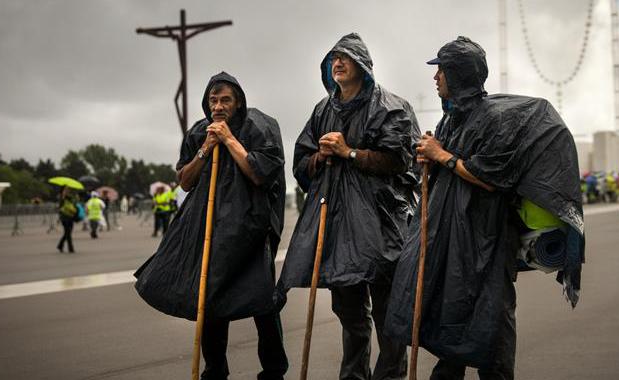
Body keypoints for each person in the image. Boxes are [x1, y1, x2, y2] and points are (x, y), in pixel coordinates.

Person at [385, 36, 585, 380]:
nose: (435, 78)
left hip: (487, 235)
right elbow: (448, 168)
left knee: (492, 314)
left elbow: (492, 177)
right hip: (451, 233)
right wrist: (429, 159)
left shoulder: (494, 118)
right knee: (452, 309)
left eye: (441, 70)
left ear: (459, 73)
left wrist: (442, 156)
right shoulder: (452, 120)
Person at [277, 33, 419, 380]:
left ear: (363, 66)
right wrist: (319, 157)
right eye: (333, 59)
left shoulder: (391, 107)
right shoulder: (323, 110)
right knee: (349, 310)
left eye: (345, 58)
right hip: (337, 222)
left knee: (387, 313)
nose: (337, 63)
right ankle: (353, 376)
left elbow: (401, 161)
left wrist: (349, 152)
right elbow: (301, 162)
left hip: (381, 222)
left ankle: (390, 376)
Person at [135, 72, 288, 380]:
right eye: (213, 100)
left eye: (225, 100)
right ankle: (214, 369)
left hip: (250, 229)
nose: (218, 106)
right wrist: (206, 146)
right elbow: (186, 181)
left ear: (239, 102)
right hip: (208, 227)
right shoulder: (198, 133)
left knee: (262, 301)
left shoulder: (258, 127)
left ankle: (273, 371)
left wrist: (229, 140)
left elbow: (260, 174)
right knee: (210, 297)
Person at [56, 187, 77, 253]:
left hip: (71, 217)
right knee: (68, 233)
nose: (67, 191)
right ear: (62, 191)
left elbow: (74, 204)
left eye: (68, 190)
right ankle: (71, 248)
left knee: (68, 233)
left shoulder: (70, 198)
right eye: (65, 190)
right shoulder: (61, 199)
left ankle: (60, 245)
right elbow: (60, 208)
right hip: (64, 218)